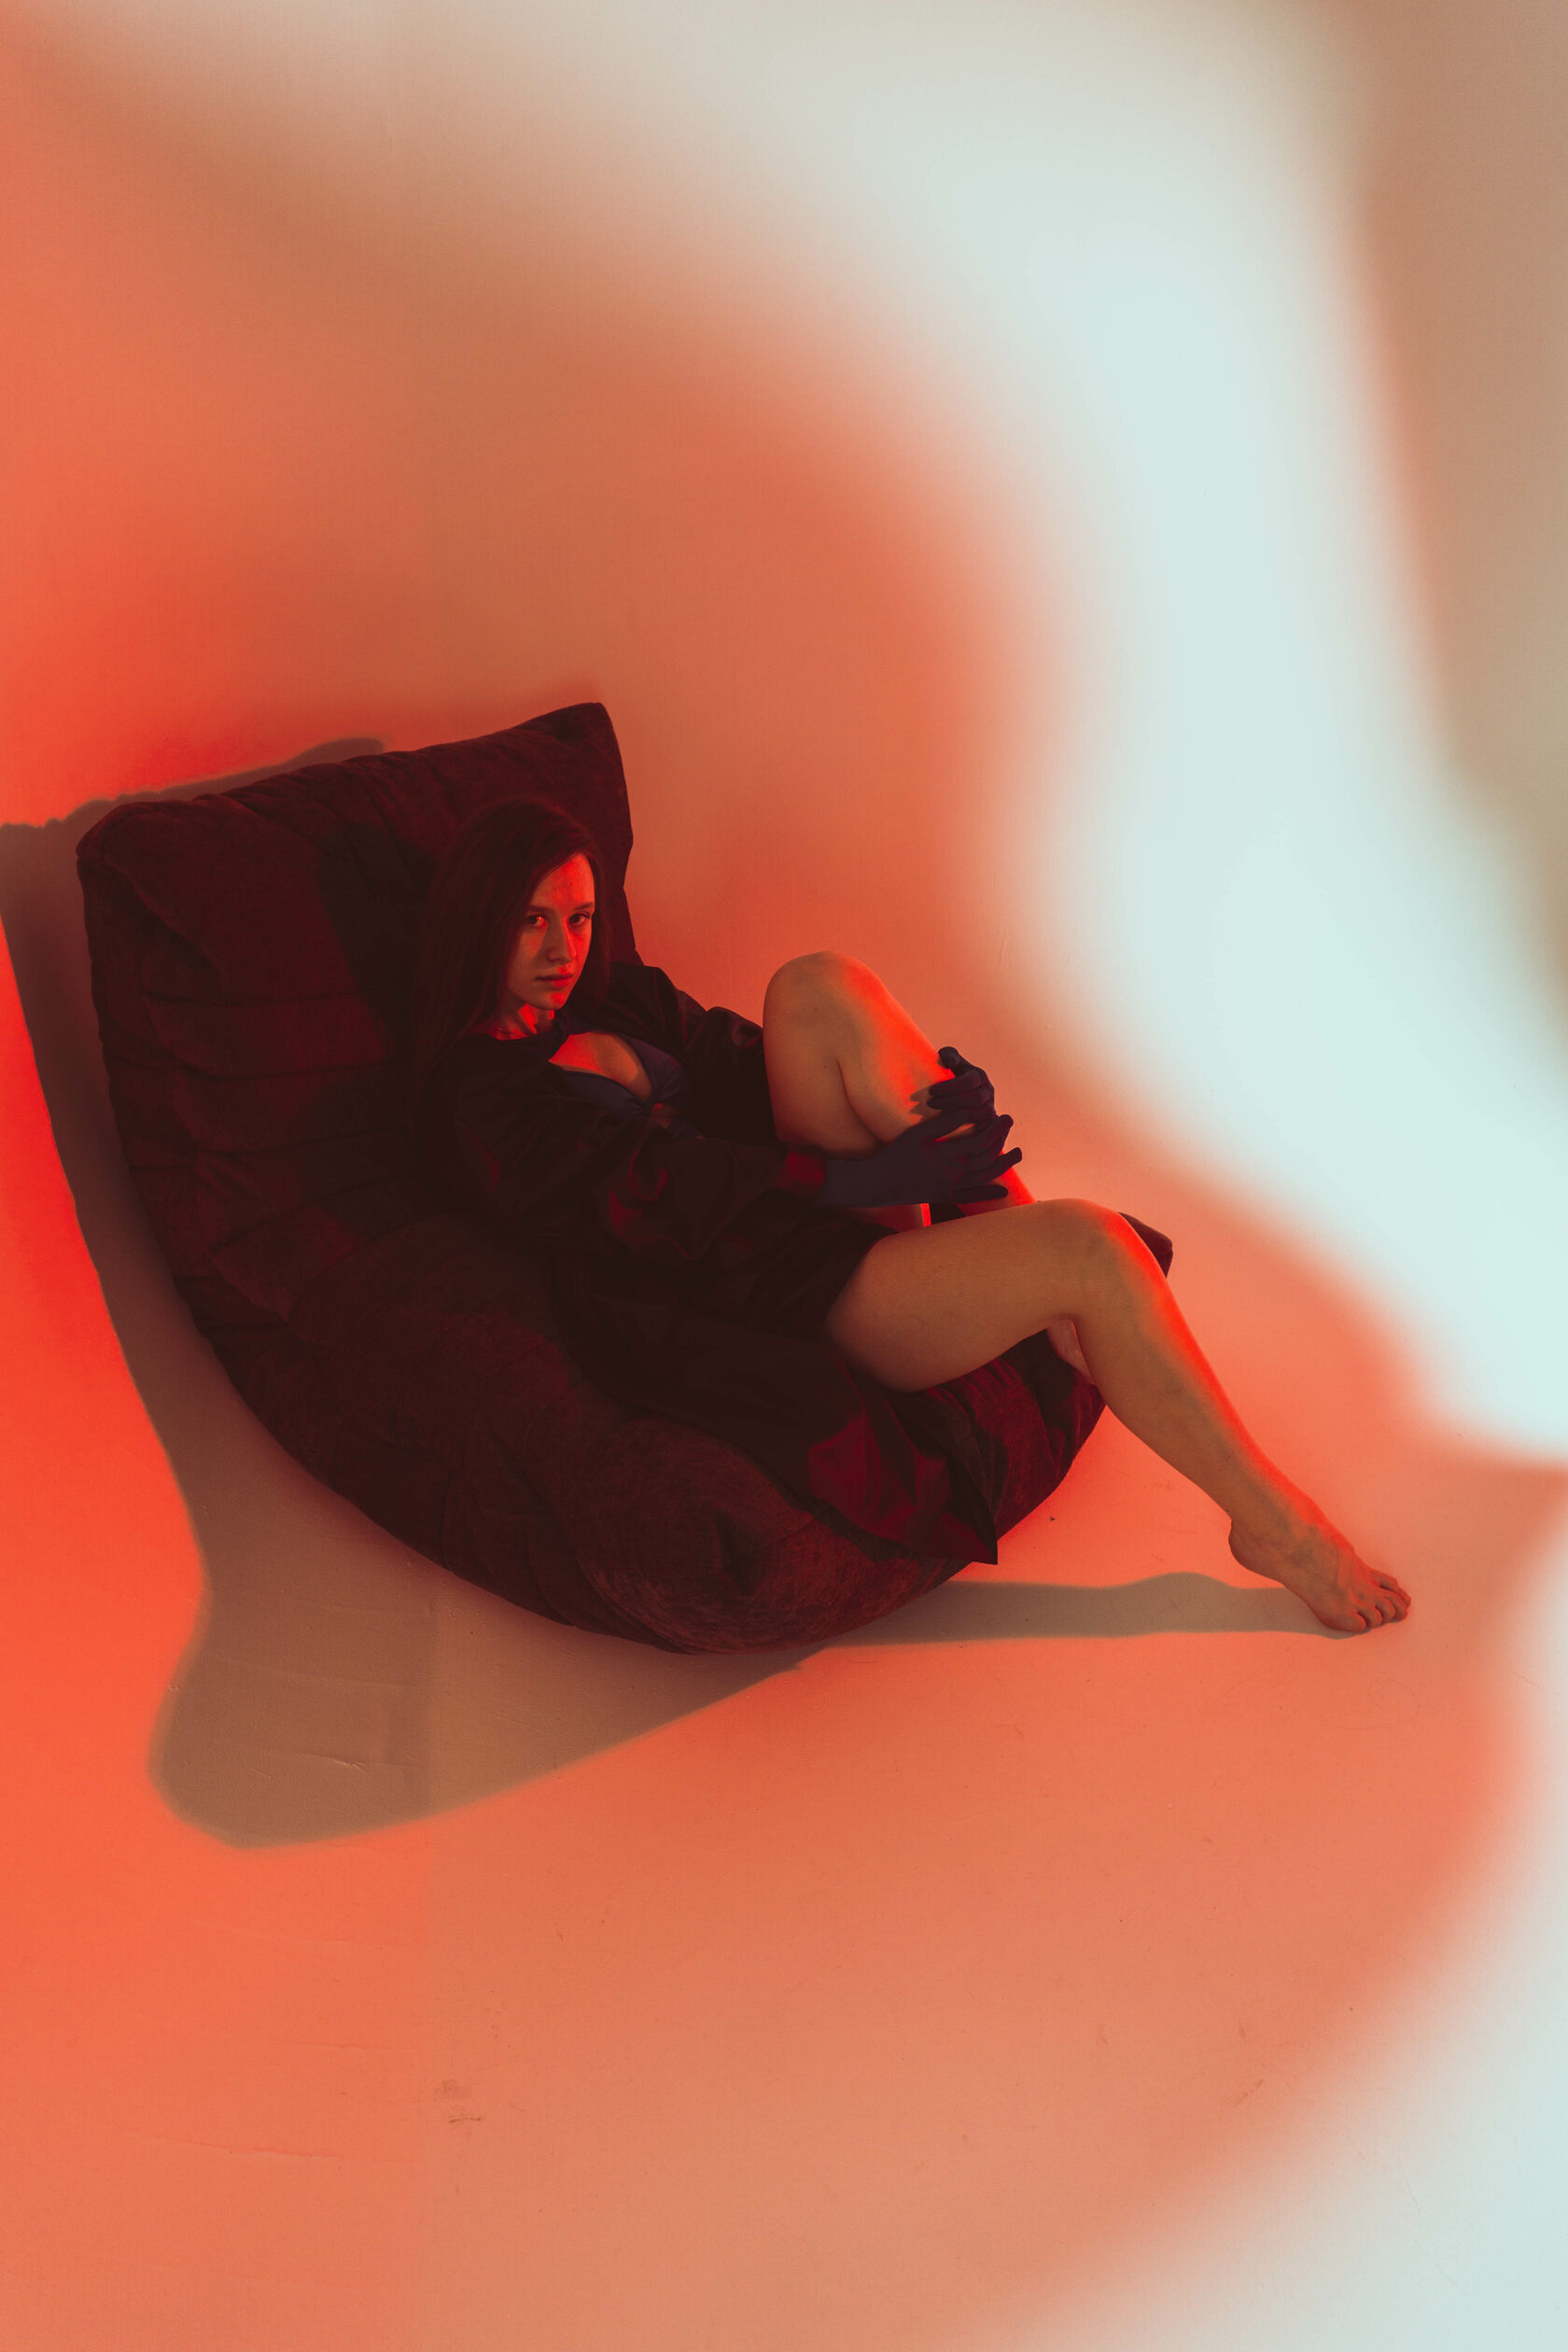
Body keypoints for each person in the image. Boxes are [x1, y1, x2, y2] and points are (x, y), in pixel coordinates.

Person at [410, 797, 1409, 1634]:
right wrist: (866, 1176)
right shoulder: (474, 1097)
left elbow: (739, 1062)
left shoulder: (614, 1000)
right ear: (480, 921)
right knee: (1095, 1245)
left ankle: (997, 1200)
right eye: (532, 921)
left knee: (817, 984)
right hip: (769, 1296)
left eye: (581, 918)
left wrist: (928, 1104)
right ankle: (1278, 1528)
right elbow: (652, 1194)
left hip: (807, 1218)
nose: (565, 949)